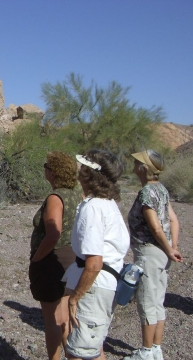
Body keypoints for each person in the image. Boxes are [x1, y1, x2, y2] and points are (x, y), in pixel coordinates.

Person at [62, 150, 130, 360]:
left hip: (93, 286)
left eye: (83, 167)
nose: (78, 170)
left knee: (77, 350)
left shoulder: (93, 208)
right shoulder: (108, 205)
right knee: (93, 348)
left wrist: (75, 298)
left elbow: (94, 263)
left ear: (89, 174)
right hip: (102, 284)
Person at [124, 150, 183, 360]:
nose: (133, 163)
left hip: (149, 252)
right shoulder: (162, 190)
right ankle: (156, 348)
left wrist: (169, 248)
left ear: (144, 168)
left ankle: (146, 352)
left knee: (147, 301)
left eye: (137, 161)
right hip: (162, 253)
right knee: (158, 301)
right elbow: (173, 220)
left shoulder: (147, 193)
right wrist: (172, 247)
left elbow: (156, 228)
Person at [29, 151, 82, 360]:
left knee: (51, 318)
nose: (45, 169)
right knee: (65, 316)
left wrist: (36, 258)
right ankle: (71, 355)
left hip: (53, 259)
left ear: (53, 172)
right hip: (72, 258)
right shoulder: (77, 195)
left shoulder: (55, 197)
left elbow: (53, 234)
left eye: (47, 165)